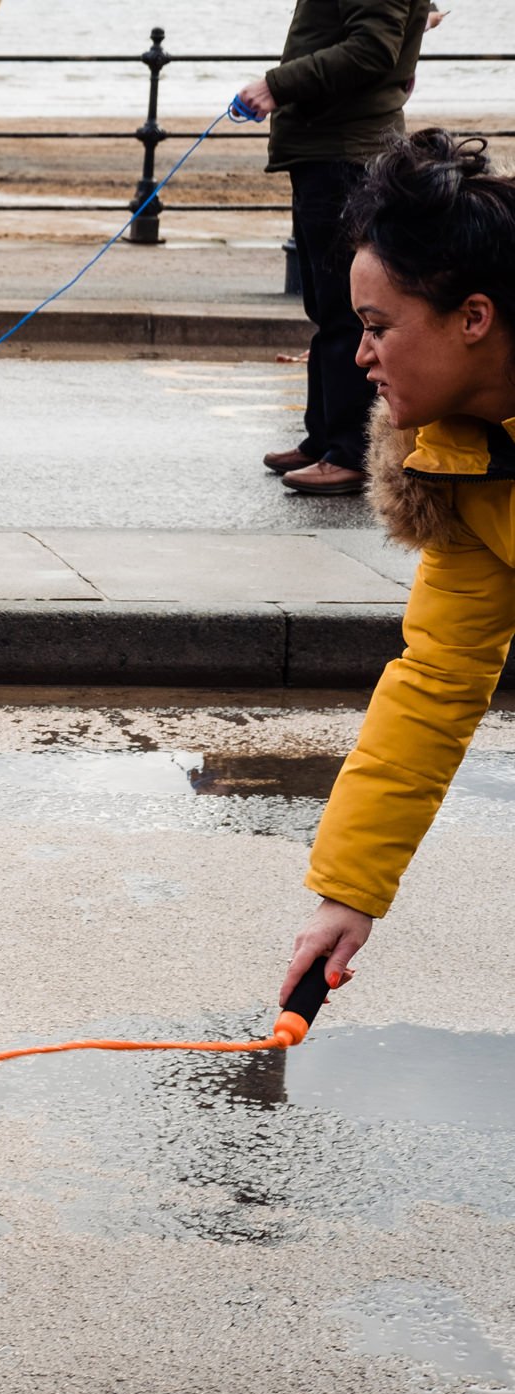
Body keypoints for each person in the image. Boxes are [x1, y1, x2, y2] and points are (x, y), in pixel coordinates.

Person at [283, 131, 515, 1003]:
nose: (360, 354)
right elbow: (438, 677)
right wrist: (348, 893)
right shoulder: (458, 462)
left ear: (474, 317)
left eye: (379, 327)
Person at [238, 0, 432, 497]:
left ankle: (348, 451)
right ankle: (324, 438)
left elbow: (372, 49)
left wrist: (274, 86)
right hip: (329, 148)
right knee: (326, 306)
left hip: (345, 153)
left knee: (349, 311)